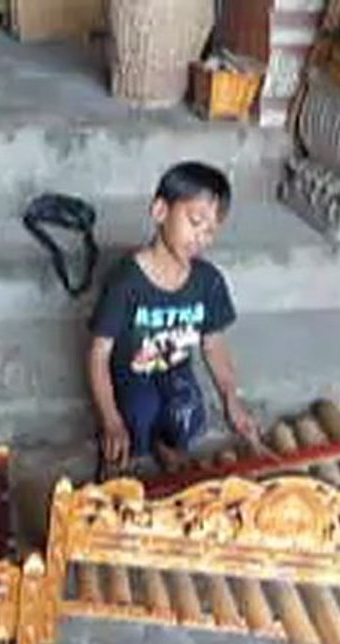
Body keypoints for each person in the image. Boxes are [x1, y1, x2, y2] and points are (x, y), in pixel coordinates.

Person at [87, 161, 259, 475]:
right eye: (195, 222)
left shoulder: (208, 281)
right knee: (138, 414)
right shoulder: (126, 282)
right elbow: (99, 354)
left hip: (174, 370)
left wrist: (231, 398)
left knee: (189, 413)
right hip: (130, 374)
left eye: (210, 230)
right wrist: (111, 420)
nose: (202, 238)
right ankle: (127, 445)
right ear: (160, 212)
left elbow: (213, 344)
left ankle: (164, 445)